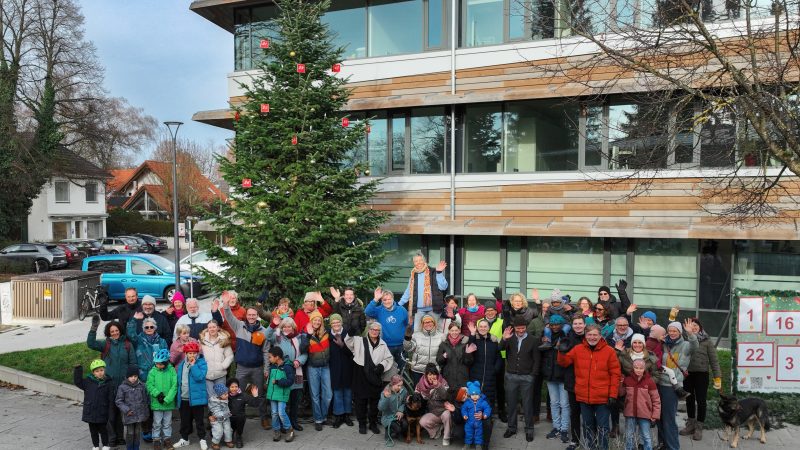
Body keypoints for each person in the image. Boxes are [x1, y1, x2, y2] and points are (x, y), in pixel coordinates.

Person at [557, 324, 621, 450]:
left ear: (600, 336)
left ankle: (603, 447)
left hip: (603, 397)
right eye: (589, 335)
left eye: (595, 335)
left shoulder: (609, 351)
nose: (592, 337)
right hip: (584, 396)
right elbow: (564, 362)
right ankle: (590, 447)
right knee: (587, 425)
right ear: (585, 336)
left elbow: (615, 374)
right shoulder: (578, 349)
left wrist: (613, 394)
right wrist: (561, 351)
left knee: (603, 426)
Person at [87, 316, 136, 447]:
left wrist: (131, 379)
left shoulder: (127, 345)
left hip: (123, 385)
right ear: (108, 333)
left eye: (116, 330)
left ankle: (120, 437)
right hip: (108, 384)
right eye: (112, 331)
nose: (115, 333)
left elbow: (133, 364)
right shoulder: (105, 344)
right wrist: (93, 328)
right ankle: (111, 438)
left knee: (120, 412)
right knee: (109, 412)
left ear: (120, 331)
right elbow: (91, 344)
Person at [222, 299, 270, 429]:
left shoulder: (264, 331)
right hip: (242, 368)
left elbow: (266, 352)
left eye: (254, 315)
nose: (251, 317)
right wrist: (225, 305)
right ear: (246, 315)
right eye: (249, 314)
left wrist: (266, 369)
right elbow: (229, 316)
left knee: (260, 394)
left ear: (257, 316)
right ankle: (237, 418)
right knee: (238, 393)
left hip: (257, 368)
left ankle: (264, 418)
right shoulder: (239, 326)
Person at [346, 321, 396, 436]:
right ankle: (362, 424)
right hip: (360, 373)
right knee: (360, 401)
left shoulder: (383, 344)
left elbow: (389, 358)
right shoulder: (359, 340)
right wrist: (351, 331)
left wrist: (382, 366)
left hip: (375, 374)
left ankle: (373, 423)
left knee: (374, 402)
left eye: (377, 330)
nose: (374, 331)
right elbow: (348, 341)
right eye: (372, 329)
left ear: (379, 332)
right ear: (369, 330)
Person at [655, 320, 698, 450]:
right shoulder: (664, 344)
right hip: (659, 384)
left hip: (671, 386)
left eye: (675, 331)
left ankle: (673, 447)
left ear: (680, 332)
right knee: (659, 418)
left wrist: (690, 334)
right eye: (670, 330)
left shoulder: (685, 345)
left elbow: (695, 346)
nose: (672, 333)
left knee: (669, 418)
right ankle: (663, 444)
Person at [500, 315, 541, 442]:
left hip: (527, 377)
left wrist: (532, 375)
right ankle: (511, 428)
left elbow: (537, 359)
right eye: (518, 328)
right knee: (511, 403)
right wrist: (504, 339)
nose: (521, 330)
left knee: (527, 405)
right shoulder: (510, 338)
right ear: (515, 328)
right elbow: (500, 349)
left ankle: (529, 429)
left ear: (526, 327)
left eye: (523, 328)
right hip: (511, 376)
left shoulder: (533, 340)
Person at [680, 318, 722, 441]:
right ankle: (691, 424)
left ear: (700, 327)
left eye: (696, 325)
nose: (693, 327)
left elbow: (714, 360)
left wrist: (717, 376)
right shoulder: (684, 339)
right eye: (691, 325)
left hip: (702, 374)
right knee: (689, 399)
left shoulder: (707, 340)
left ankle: (699, 427)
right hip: (687, 374)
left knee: (701, 400)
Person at [266, 316, 308, 431]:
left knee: (294, 401)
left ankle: (294, 422)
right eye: (284, 326)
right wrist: (273, 325)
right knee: (282, 400)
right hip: (280, 373)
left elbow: (305, 353)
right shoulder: (277, 337)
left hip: (295, 371)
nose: (287, 328)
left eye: (289, 326)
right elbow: (267, 336)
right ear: (282, 327)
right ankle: (283, 424)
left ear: (293, 327)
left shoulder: (299, 338)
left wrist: (298, 361)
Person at [398, 252, 449, 330]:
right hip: (419, 310)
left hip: (434, 309)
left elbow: (443, 287)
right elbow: (408, 291)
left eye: (420, 260)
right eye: (416, 261)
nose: (418, 262)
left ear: (424, 261)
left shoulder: (433, 271)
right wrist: (399, 304)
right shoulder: (413, 275)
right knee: (417, 332)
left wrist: (439, 273)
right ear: (414, 263)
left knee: (433, 332)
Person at [173, 341, 209, 450]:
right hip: (184, 398)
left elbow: (200, 377)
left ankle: (202, 439)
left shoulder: (202, 363)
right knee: (185, 421)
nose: (192, 355)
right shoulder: (182, 365)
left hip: (197, 399)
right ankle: (184, 439)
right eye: (189, 353)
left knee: (199, 421)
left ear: (197, 353)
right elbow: (179, 380)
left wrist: (193, 366)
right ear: (185, 354)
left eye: (194, 353)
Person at [541, 314, 571, 443]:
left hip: (563, 375)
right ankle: (556, 427)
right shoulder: (546, 336)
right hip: (550, 374)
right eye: (552, 325)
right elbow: (542, 353)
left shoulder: (566, 336)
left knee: (564, 404)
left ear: (561, 324)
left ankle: (564, 429)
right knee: (554, 403)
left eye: (557, 324)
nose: (554, 327)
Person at [365, 287, 409, 373]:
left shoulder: (402, 310)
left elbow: (408, 325)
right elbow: (367, 311)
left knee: (402, 370)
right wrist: (375, 299)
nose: (387, 301)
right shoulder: (378, 310)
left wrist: (407, 339)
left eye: (389, 299)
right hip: (385, 346)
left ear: (393, 299)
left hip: (401, 346)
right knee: (387, 370)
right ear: (381, 301)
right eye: (384, 300)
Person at [74, 360, 114, 450]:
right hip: (91, 412)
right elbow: (78, 382)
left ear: (104, 370)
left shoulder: (108, 383)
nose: (100, 373)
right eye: (97, 371)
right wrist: (78, 369)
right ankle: (95, 445)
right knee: (93, 431)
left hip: (102, 411)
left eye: (101, 370)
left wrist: (111, 413)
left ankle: (105, 445)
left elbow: (111, 399)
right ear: (93, 372)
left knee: (104, 430)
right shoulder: (88, 381)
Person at [623, 359, 661, 450]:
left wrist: (655, 414)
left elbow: (656, 399)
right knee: (629, 435)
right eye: (636, 368)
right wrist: (620, 382)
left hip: (645, 413)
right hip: (630, 413)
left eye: (641, 368)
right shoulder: (627, 380)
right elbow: (621, 394)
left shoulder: (650, 381)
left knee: (646, 436)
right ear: (633, 368)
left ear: (644, 368)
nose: (638, 370)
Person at [305, 310, 333, 431]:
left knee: (328, 394)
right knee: (315, 395)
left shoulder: (326, 333)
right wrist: (308, 335)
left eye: (319, 320)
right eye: (315, 320)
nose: (317, 322)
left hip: (325, 366)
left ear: (321, 322)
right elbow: (302, 348)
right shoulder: (306, 333)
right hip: (312, 367)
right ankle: (318, 419)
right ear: (311, 321)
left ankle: (323, 416)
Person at [562, 315, 587, 450]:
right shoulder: (567, 338)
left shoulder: (590, 337)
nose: (578, 326)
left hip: (588, 381)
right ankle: (575, 440)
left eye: (580, 323)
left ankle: (590, 438)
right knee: (575, 412)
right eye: (575, 323)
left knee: (588, 414)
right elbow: (563, 361)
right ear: (572, 325)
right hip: (572, 380)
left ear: (584, 325)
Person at [416, 364, 454, 446]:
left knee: (447, 415)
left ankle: (447, 437)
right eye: (430, 374)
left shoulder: (443, 382)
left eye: (434, 374)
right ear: (426, 375)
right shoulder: (421, 383)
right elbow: (416, 394)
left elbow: (446, 396)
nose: (432, 377)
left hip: (443, 410)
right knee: (422, 422)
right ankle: (438, 429)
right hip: (433, 412)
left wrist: (438, 385)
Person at [146, 349, 177, 450]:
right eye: (156, 363)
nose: (158, 365)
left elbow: (174, 386)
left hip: (168, 403)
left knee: (167, 423)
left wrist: (167, 399)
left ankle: (167, 439)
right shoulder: (152, 371)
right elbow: (149, 384)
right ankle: (156, 440)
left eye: (160, 364)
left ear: (166, 362)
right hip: (157, 403)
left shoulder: (172, 370)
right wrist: (157, 394)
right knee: (157, 423)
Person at [265, 347, 297, 443]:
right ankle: (276, 431)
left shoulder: (287, 367)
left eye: (270, 357)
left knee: (281, 413)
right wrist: (267, 380)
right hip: (272, 395)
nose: (269, 359)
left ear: (277, 357)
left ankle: (290, 430)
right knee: (274, 413)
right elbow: (270, 381)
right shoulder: (272, 367)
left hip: (282, 395)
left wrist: (278, 382)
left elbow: (290, 381)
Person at [328, 313, 355, 428]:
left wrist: (342, 345)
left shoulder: (347, 334)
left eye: (338, 322)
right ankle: (339, 415)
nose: (336, 324)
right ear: (331, 324)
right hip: (334, 367)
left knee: (348, 392)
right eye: (333, 322)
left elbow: (353, 352)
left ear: (341, 322)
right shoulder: (328, 335)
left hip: (347, 367)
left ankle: (347, 415)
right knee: (337, 392)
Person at [116, 365, 150, 450]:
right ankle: (130, 448)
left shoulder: (142, 386)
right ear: (127, 376)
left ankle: (136, 447)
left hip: (139, 415)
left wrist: (145, 413)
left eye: (135, 376)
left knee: (137, 432)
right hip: (129, 415)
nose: (133, 378)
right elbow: (119, 401)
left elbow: (145, 400)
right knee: (130, 433)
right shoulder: (122, 387)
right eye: (131, 376)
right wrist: (127, 410)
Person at [437, 321, 475, 391]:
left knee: (461, 396)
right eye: (452, 330)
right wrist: (443, 357)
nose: (454, 332)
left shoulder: (465, 343)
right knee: (448, 396)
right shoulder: (443, 344)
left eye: (456, 330)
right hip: (448, 377)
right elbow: (439, 361)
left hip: (462, 378)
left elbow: (469, 362)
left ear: (459, 330)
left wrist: (467, 354)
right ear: (449, 331)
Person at [199, 320, 233, 397]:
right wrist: (202, 368)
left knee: (221, 397)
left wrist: (223, 366)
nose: (212, 329)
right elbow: (198, 356)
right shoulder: (202, 341)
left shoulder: (224, 340)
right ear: (207, 329)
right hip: (207, 375)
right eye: (210, 327)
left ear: (217, 328)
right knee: (211, 398)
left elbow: (230, 356)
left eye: (214, 327)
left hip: (220, 375)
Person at [227, 379, 264, 448]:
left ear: (238, 387)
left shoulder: (243, 395)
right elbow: (216, 405)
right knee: (229, 429)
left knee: (240, 417)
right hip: (228, 417)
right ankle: (229, 435)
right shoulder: (225, 395)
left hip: (239, 417)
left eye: (236, 386)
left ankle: (239, 437)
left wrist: (255, 396)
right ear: (228, 387)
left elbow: (255, 404)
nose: (234, 389)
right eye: (232, 387)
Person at [377, 375, 407, 446]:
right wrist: (386, 398)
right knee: (398, 428)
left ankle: (397, 433)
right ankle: (388, 431)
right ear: (393, 384)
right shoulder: (386, 391)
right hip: (387, 416)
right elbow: (380, 408)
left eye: (401, 385)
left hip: (398, 415)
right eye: (398, 385)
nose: (400, 387)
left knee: (405, 425)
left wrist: (400, 411)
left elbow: (404, 402)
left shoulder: (403, 390)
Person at [461, 381, 492, 450]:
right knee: (468, 433)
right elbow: (463, 409)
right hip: (469, 422)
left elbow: (487, 408)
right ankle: (467, 444)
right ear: (470, 395)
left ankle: (478, 445)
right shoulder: (467, 402)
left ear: (479, 394)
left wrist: (485, 414)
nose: (474, 396)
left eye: (476, 394)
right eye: (472, 395)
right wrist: (465, 415)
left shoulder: (482, 402)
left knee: (479, 434)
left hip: (478, 422)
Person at [208, 383, 234, 449]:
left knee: (228, 429)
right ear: (219, 395)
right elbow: (216, 412)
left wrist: (227, 414)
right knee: (218, 431)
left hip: (226, 418)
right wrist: (226, 414)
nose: (227, 395)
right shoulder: (214, 402)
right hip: (216, 419)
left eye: (227, 393)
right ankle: (215, 443)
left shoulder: (224, 398)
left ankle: (228, 441)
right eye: (225, 394)